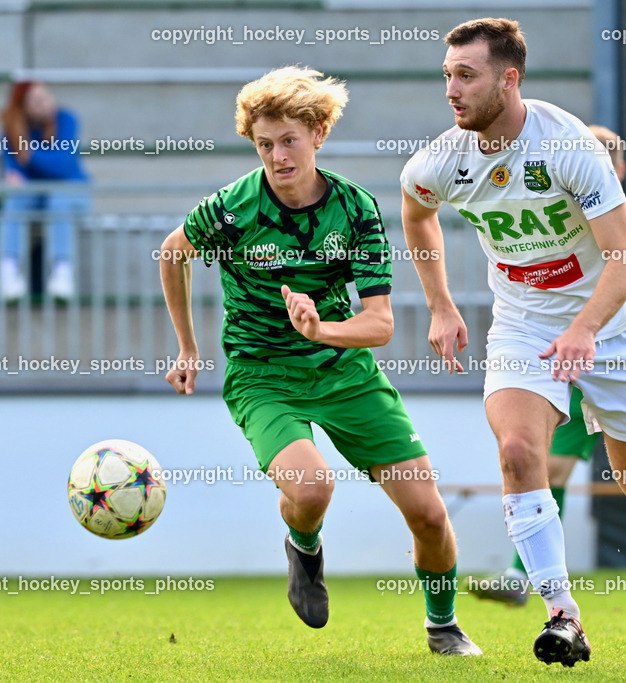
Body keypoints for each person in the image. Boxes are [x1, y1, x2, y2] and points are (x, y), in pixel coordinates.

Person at [400, 18, 626, 667]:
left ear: (509, 79)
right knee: (516, 452)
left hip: (611, 325)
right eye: (448, 75)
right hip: (524, 326)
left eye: (467, 75)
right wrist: (442, 305)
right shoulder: (440, 160)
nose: (452, 89)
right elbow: (416, 212)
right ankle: (563, 613)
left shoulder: (567, 146)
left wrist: (584, 329)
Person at [159, 66, 482, 656]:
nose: (277, 157)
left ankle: (444, 626)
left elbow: (380, 324)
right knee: (311, 488)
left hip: (344, 371)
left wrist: (320, 329)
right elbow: (173, 252)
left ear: (318, 134)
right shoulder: (232, 208)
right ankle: (303, 546)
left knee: (430, 515)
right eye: (264, 144)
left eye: (289, 140)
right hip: (263, 376)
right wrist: (187, 346)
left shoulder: (355, 209)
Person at [472, 124, 626, 606]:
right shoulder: (552, 216)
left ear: (618, 169)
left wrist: (598, 305)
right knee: (542, 462)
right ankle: (532, 583)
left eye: (602, 159)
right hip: (560, 360)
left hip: (624, 358)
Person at [0, 81, 89, 300]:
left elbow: (63, 165)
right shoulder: (11, 128)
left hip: (71, 191)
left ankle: (62, 271)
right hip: (35, 194)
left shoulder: (66, 120)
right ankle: (9, 270)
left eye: (47, 97)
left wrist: (29, 155)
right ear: (24, 107)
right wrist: (15, 175)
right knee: (14, 200)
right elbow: (13, 169)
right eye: (37, 101)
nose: (46, 104)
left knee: (59, 198)